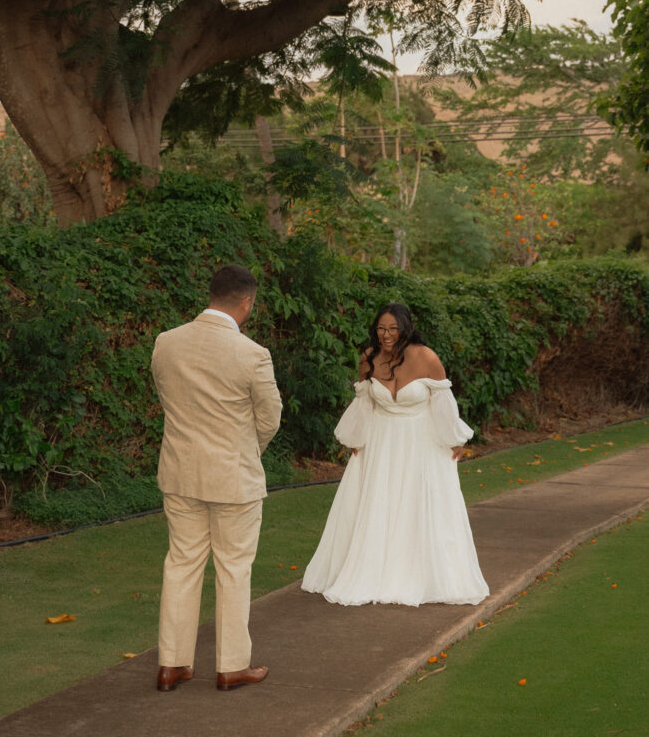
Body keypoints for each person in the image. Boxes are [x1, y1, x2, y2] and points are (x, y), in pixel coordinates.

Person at [301, 302, 489, 607]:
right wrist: (355, 437)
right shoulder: (368, 358)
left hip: (421, 442)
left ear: (405, 327)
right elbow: (364, 403)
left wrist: (454, 439)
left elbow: (443, 403)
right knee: (378, 503)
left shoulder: (426, 357)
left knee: (416, 503)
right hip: (381, 441)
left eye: (392, 328)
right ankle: (372, 569)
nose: (386, 334)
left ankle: (418, 574)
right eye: (381, 328)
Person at [151, 264, 282, 692]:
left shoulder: (166, 343)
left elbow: (168, 401)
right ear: (247, 302)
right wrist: (245, 450)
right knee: (233, 569)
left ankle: (172, 665)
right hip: (233, 477)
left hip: (180, 472)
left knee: (182, 565)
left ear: (212, 294)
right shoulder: (253, 353)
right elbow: (270, 417)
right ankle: (231, 667)